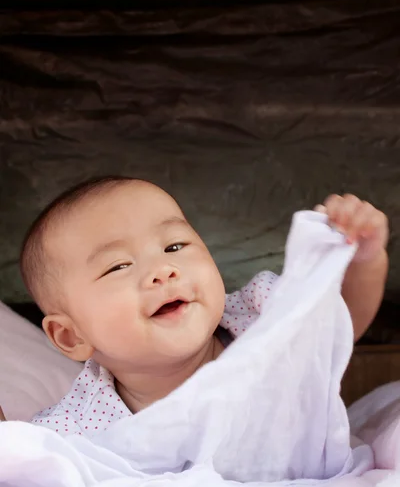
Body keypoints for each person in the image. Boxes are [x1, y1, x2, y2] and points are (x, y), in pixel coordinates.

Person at [16, 177, 387, 434]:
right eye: (118, 266)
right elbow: (27, 470)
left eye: (174, 246)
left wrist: (365, 258)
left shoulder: (259, 316)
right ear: (70, 335)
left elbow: (342, 321)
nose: (163, 270)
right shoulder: (80, 423)